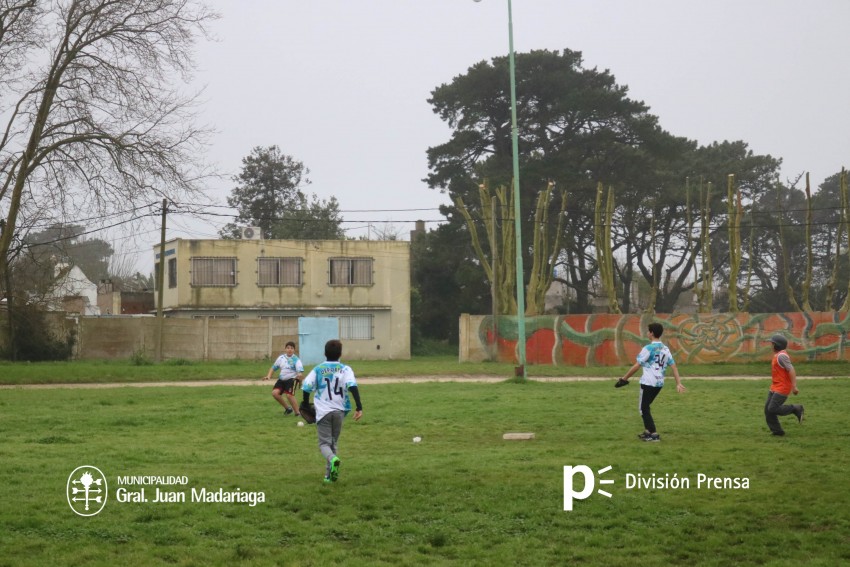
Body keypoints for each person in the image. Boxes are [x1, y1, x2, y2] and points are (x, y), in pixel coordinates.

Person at [301, 339, 363, 483]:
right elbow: (352, 387)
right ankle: (329, 476)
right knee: (333, 442)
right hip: (339, 411)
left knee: (324, 444)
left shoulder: (318, 369)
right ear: (340, 354)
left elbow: (306, 386)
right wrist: (359, 407)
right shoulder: (345, 369)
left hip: (323, 412)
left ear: (325, 353)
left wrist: (305, 404)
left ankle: (333, 459)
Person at [614, 322, 686, 442]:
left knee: (643, 408)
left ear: (651, 333)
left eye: (648, 331)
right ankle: (647, 432)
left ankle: (653, 434)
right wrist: (678, 383)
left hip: (648, 383)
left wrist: (624, 379)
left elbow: (637, 366)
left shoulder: (648, 348)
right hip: (659, 384)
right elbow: (673, 366)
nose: (647, 333)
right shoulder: (665, 349)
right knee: (645, 406)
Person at [764, 334, 804, 436]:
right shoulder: (778, 355)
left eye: (772, 344)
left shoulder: (781, 356)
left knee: (772, 408)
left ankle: (795, 408)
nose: (771, 346)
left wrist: (794, 386)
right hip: (775, 387)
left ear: (777, 345)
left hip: (782, 388)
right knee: (768, 410)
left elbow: (791, 369)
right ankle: (777, 432)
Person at [264, 341, 303, 416]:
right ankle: (288, 408)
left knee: (289, 395)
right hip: (282, 380)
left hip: (292, 379)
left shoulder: (296, 360)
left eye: (292, 348)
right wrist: (268, 376)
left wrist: (300, 382)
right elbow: (273, 368)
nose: (290, 349)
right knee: (275, 393)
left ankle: (298, 412)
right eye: (288, 348)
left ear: (294, 350)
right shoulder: (281, 358)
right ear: (285, 349)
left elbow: (300, 373)